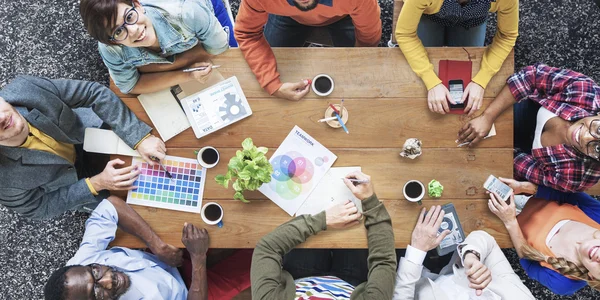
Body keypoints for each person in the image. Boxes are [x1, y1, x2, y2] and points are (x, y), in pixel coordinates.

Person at [0, 76, 165, 219]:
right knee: (147, 211)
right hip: (73, 184)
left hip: (85, 133)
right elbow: (39, 209)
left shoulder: (25, 88)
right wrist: (97, 184)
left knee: (158, 146)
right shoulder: (3, 180)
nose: (1, 118)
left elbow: (93, 92)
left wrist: (139, 137)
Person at [43, 195, 252, 300]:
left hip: (159, 255)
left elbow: (111, 205)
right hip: (190, 292)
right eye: (97, 293)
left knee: (226, 212)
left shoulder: (80, 265)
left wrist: (157, 245)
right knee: (260, 259)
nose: (108, 279)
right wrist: (198, 257)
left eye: (96, 272)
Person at [250, 171, 397, 299]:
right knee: (357, 229)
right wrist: (369, 200)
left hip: (300, 274)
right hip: (352, 281)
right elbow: (383, 261)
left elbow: (267, 248)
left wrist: (324, 219)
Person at [457, 64, 600, 192]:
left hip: (517, 155)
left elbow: (521, 167)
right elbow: (531, 76)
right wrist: (487, 117)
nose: (584, 137)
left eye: (597, 149)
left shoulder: (577, 177)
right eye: (598, 129)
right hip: (508, 108)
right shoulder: (586, 92)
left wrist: (489, 150)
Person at [234, 0, 382, 101]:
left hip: (343, 17)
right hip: (287, 15)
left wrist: (360, 60)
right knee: (263, 70)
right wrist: (273, 85)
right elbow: (247, 33)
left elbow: (368, 38)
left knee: (359, 77)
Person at [79, 0, 233, 94]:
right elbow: (130, 86)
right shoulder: (110, 49)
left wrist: (156, 69)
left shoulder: (187, 11)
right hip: (193, 36)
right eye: (119, 31)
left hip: (205, 10)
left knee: (234, 58)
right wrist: (187, 75)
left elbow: (218, 48)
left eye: (129, 17)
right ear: (112, 41)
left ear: (138, 5)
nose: (134, 31)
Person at [395, 0, 518, 115]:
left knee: (468, 62)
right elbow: (405, 34)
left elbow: (507, 36)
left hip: (472, 19)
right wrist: (430, 80)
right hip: (428, 11)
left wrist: (482, 80)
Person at [393, 205, 534, 299]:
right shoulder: (519, 296)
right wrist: (471, 256)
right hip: (454, 259)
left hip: (409, 279)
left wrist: (416, 251)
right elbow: (488, 243)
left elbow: (400, 296)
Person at [488, 184, 600, 295]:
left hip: (507, 225)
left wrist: (510, 222)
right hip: (532, 195)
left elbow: (529, 265)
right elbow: (568, 194)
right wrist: (523, 188)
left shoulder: (564, 284)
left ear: (592, 277)